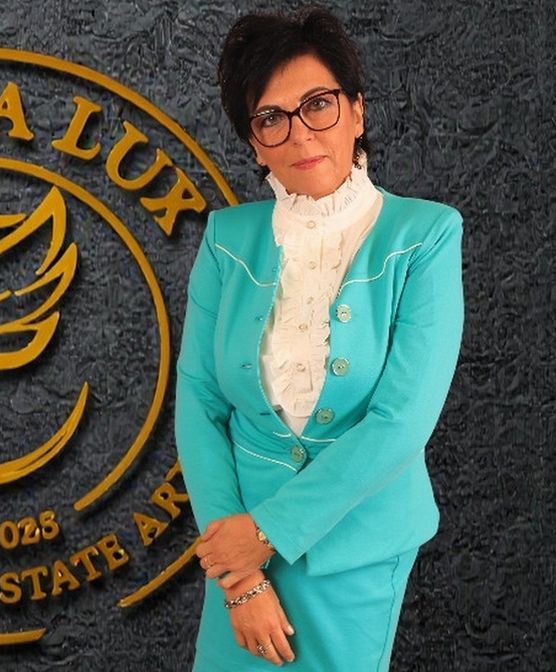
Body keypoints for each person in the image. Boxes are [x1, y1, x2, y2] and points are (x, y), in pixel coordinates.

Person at [175, 6, 463, 670]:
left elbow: (401, 421)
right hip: (237, 543)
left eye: (318, 105)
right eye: (271, 118)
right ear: (254, 143)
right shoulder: (226, 240)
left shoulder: (425, 236)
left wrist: (268, 533)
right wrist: (240, 571)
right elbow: (198, 402)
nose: (299, 132)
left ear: (356, 112)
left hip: (355, 547)